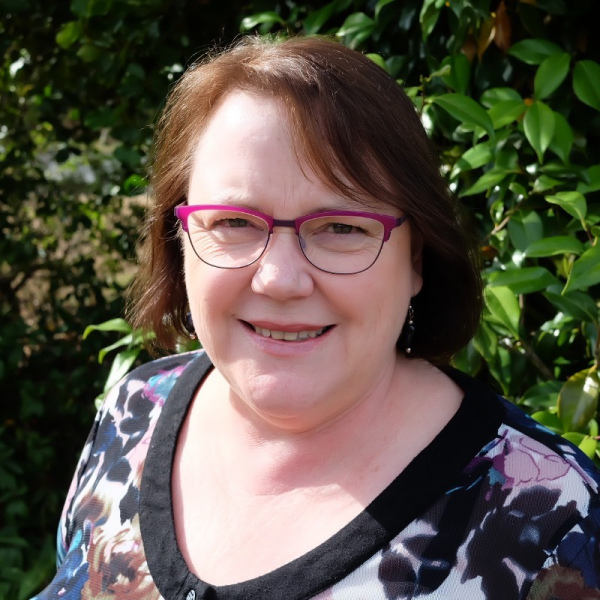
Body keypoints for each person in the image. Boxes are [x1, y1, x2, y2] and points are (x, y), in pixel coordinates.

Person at [34, 36, 600, 600]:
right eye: (234, 221)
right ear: (178, 238)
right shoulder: (135, 413)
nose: (279, 279)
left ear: (417, 260)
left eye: (342, 228)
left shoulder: (551, 520)